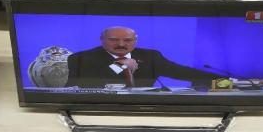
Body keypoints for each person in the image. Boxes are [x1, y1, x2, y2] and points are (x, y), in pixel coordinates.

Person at [65, 26, 216, 88]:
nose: (121, 44)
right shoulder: (81, 58)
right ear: (102, 40)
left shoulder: (150, 56)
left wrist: (224, 82)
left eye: (128, 40)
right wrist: (121, 66)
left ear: (135, 41)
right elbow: (87, 85)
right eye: (114, 40)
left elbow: (182, 72)